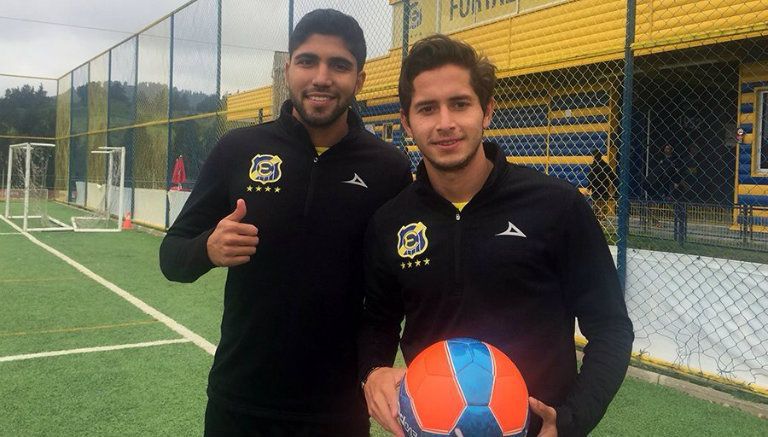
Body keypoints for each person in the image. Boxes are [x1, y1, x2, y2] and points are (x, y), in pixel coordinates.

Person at [357, 35, 634, 437]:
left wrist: (570, 421)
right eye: (427, 109)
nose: (445, 123)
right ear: (406, 122)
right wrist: (374, 370)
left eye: (460, 104)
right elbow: (377, 321)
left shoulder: (557, 205)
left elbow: (610, 327)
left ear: (486, 111)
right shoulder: (390, 221)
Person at [159, 9, 413, 437]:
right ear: (289, 68)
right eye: (308, 61)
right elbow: (171, 256)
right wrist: (207, 248)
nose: (321, 77)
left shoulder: (388, 167)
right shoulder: (238, 149)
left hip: (339, 409)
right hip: (240, 400)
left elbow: (391, 294)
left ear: (360, 80)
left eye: (339, 65)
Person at [588, 148, 616, 223]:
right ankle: (603, 217)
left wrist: (589, 187)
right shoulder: (606, 166)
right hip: (604, 187)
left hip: (595, 188)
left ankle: (596, 218)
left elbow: (591, 177)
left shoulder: (593, 166)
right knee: (603, 203)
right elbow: (612, 177)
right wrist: (613, 187)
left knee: (596, 204)